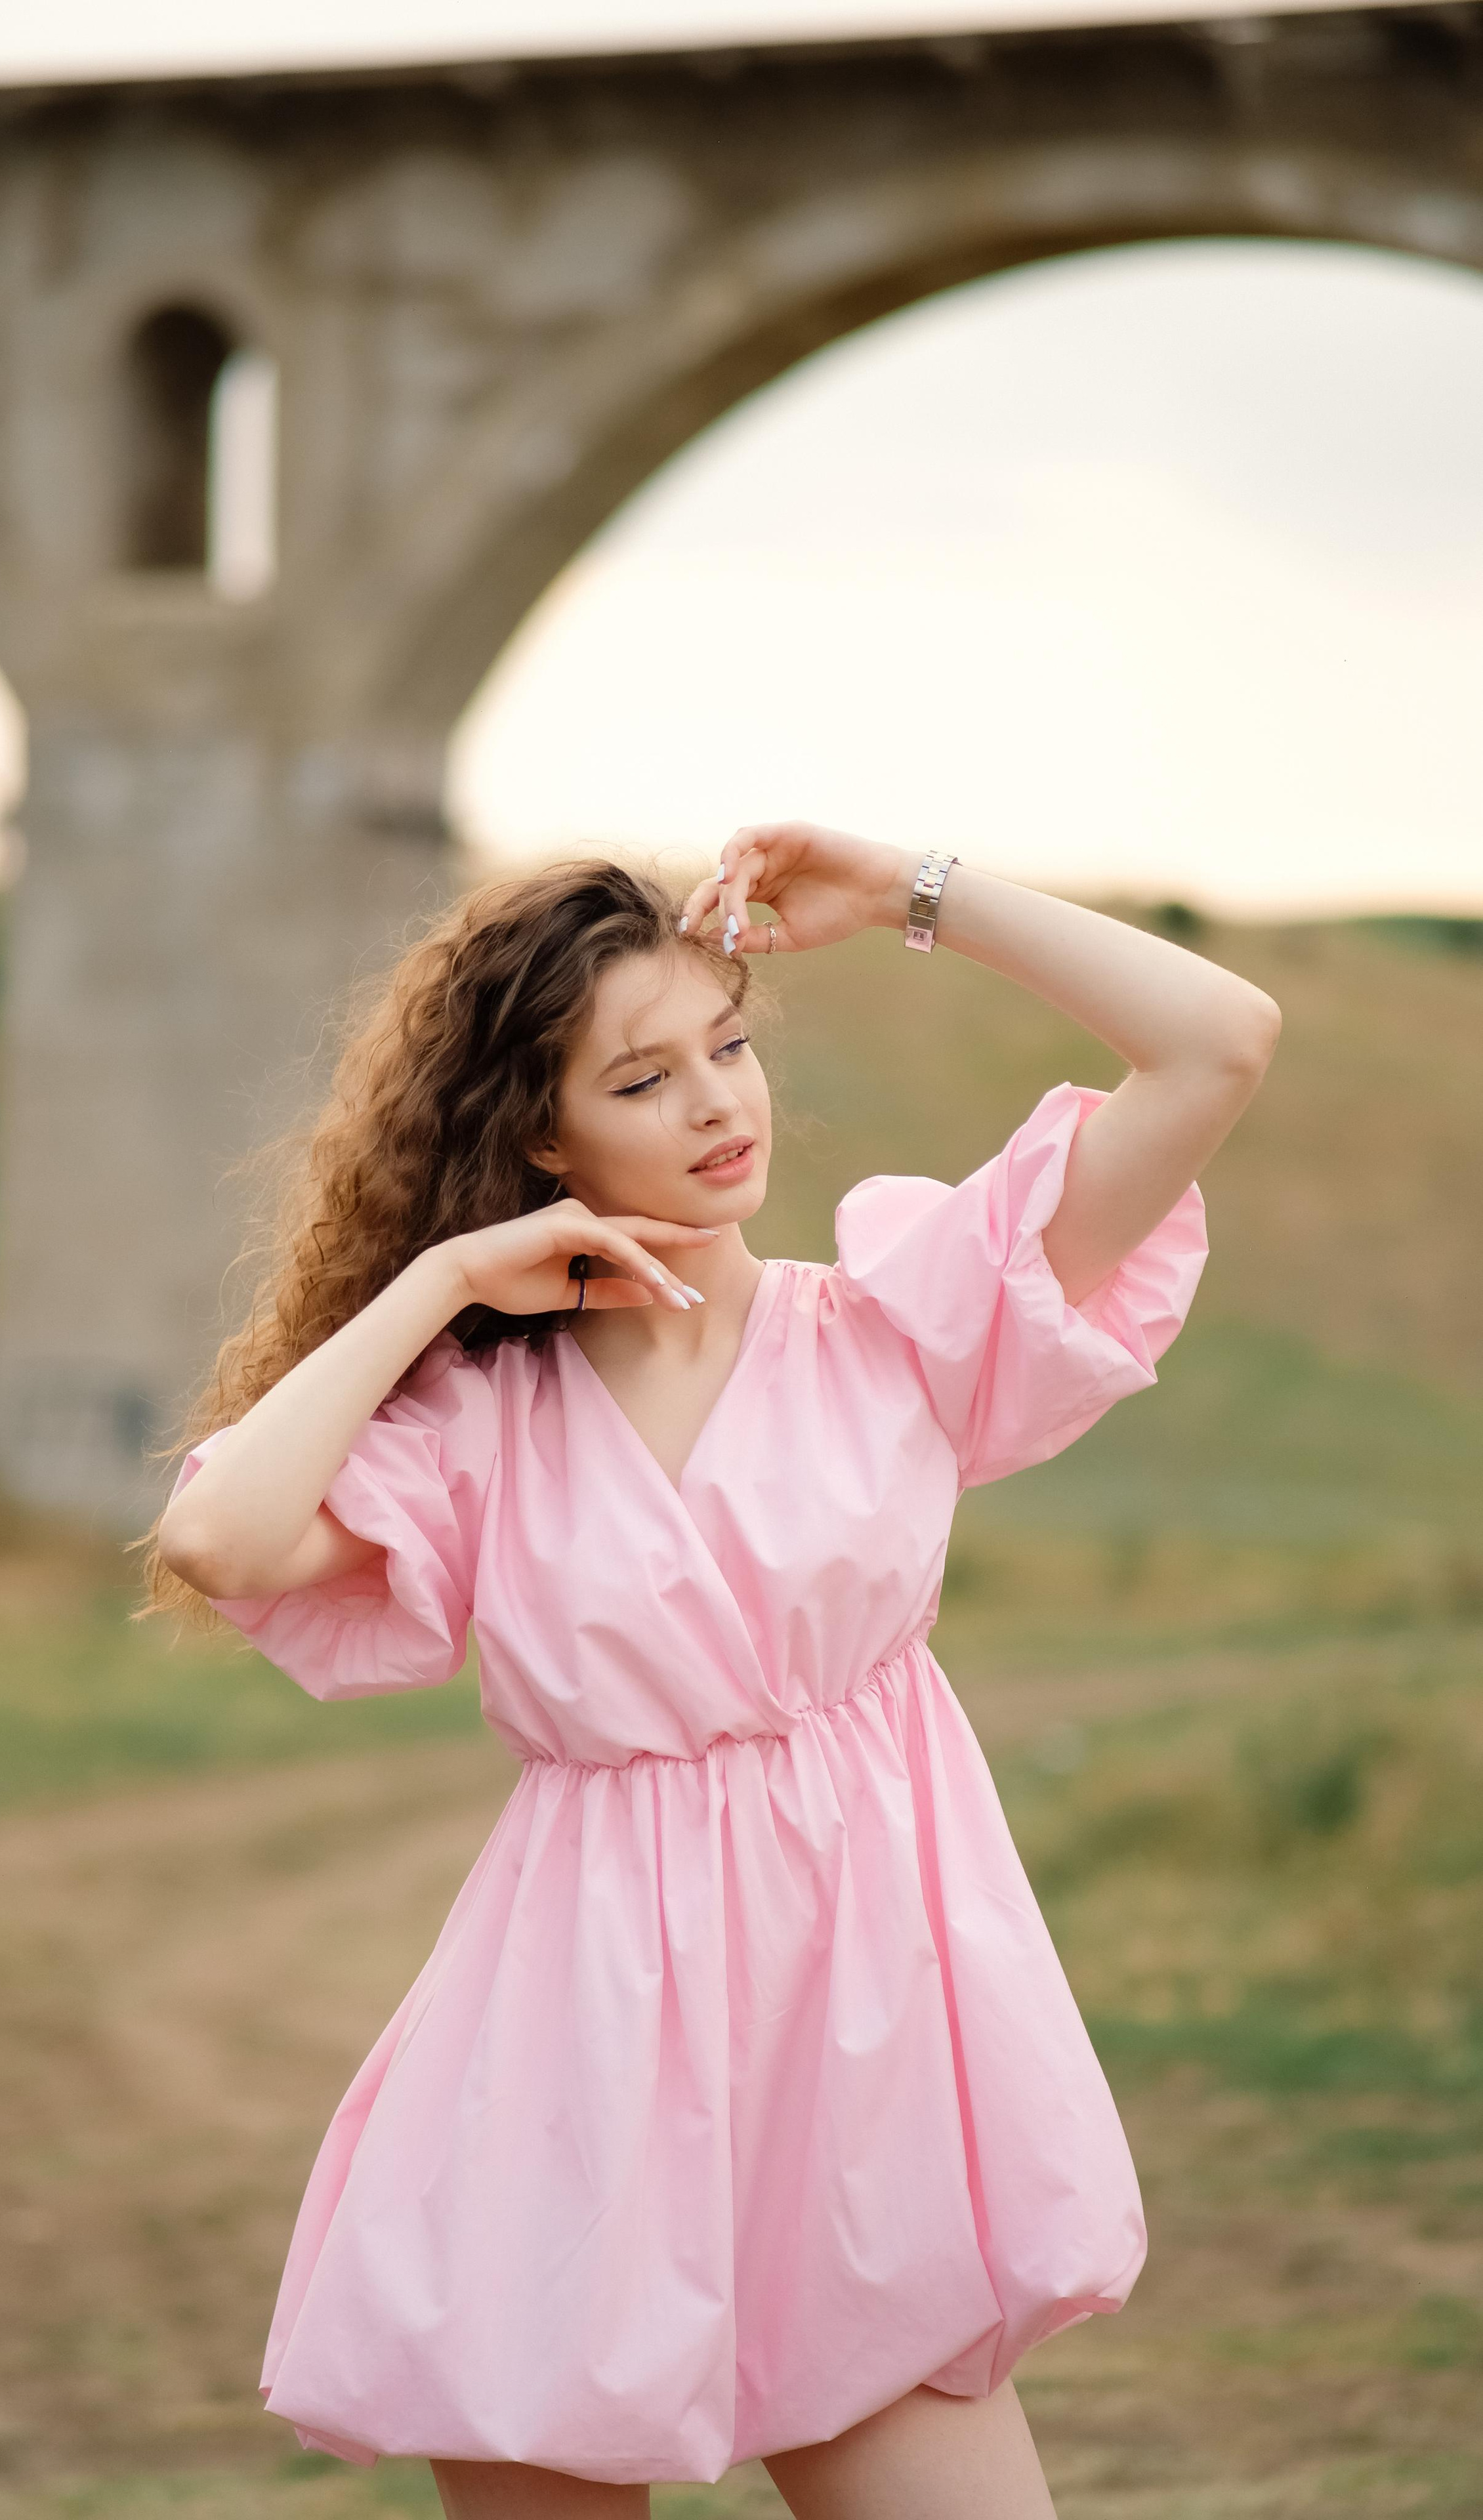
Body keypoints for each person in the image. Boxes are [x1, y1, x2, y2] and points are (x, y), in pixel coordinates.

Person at [150, 822, 1280, 2519]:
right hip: (569, 2070)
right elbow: (224, 1539)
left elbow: (1218, 1039)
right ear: (539, 1133)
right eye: (645, 1078)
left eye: (729, 1047)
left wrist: (911, 890)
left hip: (864, 2062)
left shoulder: (900, 1332)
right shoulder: (480, 1427)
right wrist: (448, 1283)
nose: (718, 1105)